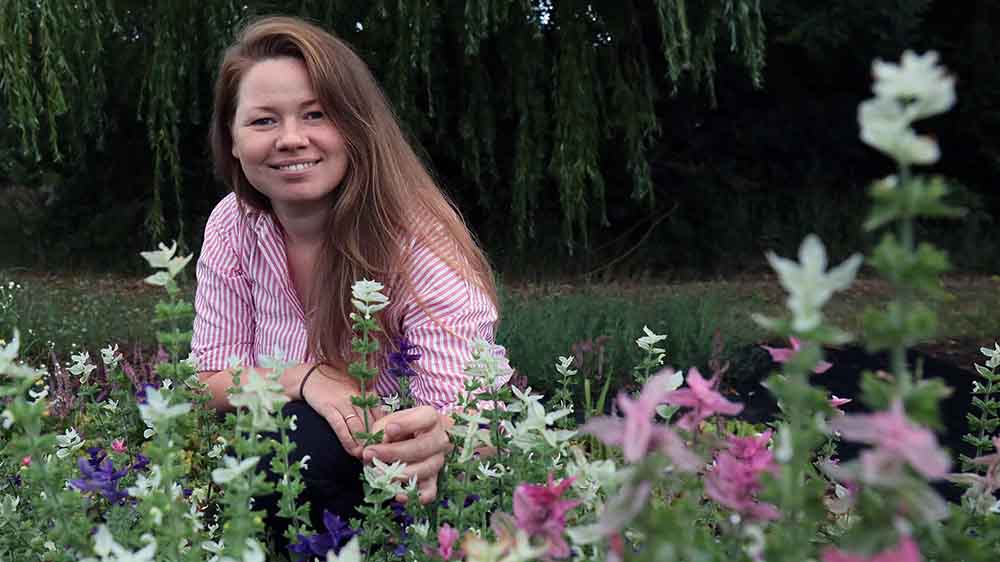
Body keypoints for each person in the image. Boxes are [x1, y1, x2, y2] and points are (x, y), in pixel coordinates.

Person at [191, 14, 507, 537]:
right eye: (263, 121)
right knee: (296, 432)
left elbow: (473, 415)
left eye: (315, 114)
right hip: (285, 476)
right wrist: (303, 378)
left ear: (356, 126)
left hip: (403, 484)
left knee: (304, 441)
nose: (291, 139)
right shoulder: (234, 223)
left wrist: (435, 439)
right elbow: (206, 383)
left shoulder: (417, 242)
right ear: (233, 140)